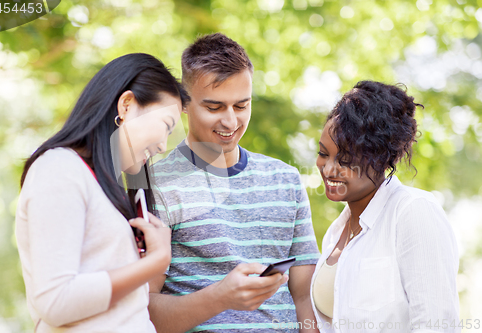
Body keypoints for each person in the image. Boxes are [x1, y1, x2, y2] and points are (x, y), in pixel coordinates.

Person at [148, 33, 320, 333]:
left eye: (241, 106)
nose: (230, 122)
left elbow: (304, 298)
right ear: (183, 103)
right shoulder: (156, 184)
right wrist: (220, 297)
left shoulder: (286, 180)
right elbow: (144, 312)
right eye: (214, 107)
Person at [15, 53, 188, 332]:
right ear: (127, 105)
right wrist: (154, 263)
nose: (163, 146)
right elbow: (55, 301)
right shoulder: (60, 168)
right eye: (166, 126)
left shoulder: (108, 190)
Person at [310, 81, 460, 332]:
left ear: (379, 160)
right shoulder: (335, 234)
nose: (328, 169)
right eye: (324, 153)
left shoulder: (413, 213)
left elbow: (437, 324)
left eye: (345, 160)